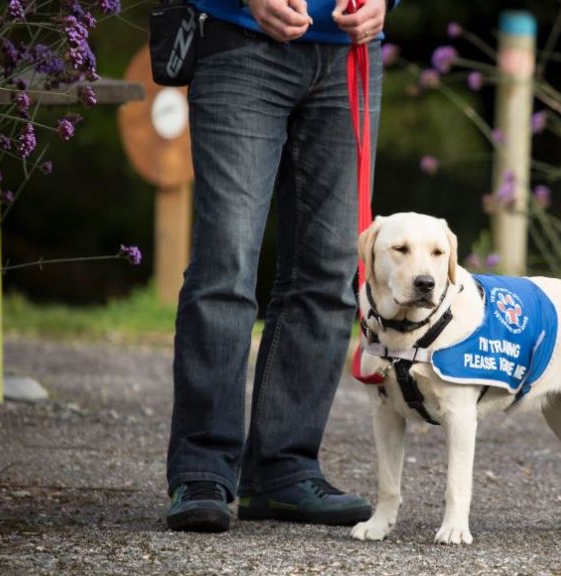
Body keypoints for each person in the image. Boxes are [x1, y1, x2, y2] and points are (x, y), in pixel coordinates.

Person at [165, 0, 394, 533]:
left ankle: (283, 469)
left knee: (331, 271)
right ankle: (202, 470)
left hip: (351, 54)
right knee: (226, 267)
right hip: (241, 41)